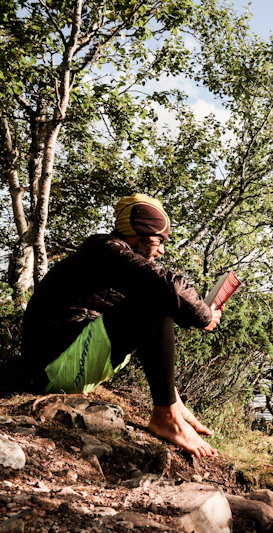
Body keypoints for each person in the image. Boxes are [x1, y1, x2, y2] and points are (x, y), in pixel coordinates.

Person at [21, 194, 222, 457]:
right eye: (159, 240)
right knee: (154, 300)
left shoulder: (112, 256)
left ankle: (174, 410)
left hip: (66, 362)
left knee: (150, 299)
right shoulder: (105, 250)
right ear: (140, 233)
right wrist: (205, 316)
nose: (161, 250)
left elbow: (144, 328)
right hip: (52, 373)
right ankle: (165, 419)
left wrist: (177, 402)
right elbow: (169, 287)